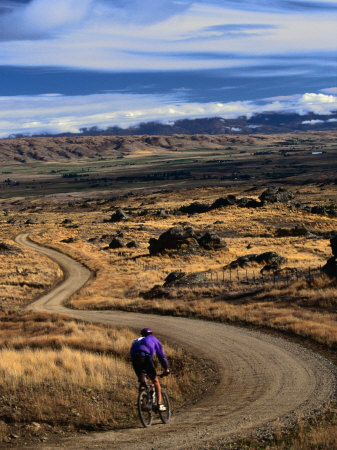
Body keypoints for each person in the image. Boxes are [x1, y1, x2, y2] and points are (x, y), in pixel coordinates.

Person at [130, 327, 170, 411]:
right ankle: (159, 405)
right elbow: (161, 356)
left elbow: (132, 352)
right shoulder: (153, 339)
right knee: (155, 381)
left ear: (141, 334)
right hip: (145, 358)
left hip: (134, 360)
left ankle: (141, 401)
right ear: (151, 334)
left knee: (142, 381)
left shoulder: (137, 340)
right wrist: (166, 369)